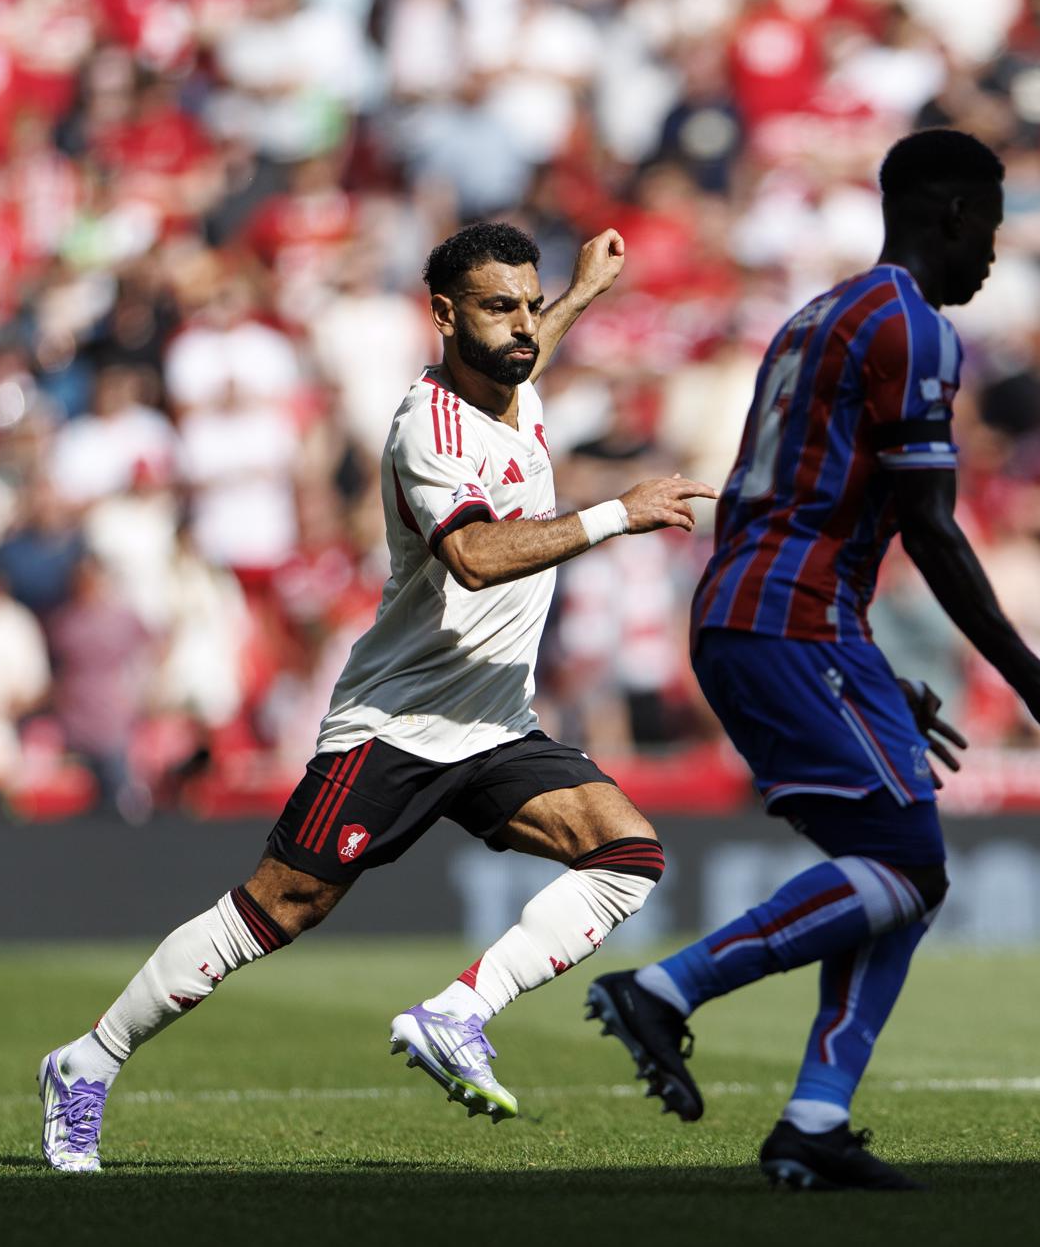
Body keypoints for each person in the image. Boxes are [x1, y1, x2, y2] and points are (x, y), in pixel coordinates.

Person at [38, 222, 717, 1172]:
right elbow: (477, 558)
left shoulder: (514, 373)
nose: (523, 326)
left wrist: (579, 295)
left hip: (493, 720)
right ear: (443, 316)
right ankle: (86, 1062)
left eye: (529, 306)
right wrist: (617, 512)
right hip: (395, 726)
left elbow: (528, 343)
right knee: (278, 906)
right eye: (498, 306)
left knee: (626, 852)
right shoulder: (426, 429)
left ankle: (457, 1013)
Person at [584, 130, 1040, 1191]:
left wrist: (876, 676)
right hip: (792, 617)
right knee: (911, 866)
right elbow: (929, 522)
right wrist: (1030, 676)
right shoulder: (912, 330)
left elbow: (803, 493)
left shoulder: (819, 313)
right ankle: (668, 990)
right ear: (952, 214)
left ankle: (815, 1122)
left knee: (903, 871)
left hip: (776, 613)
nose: (995, 256)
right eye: (992, 229)